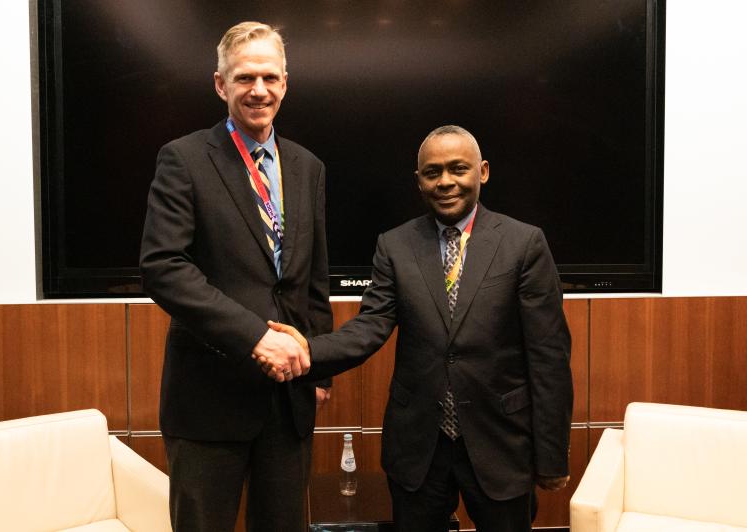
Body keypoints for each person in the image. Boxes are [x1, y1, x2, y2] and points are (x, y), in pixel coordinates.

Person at [260, 125, 573, 531]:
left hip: (501, 444)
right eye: (432, 172)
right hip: (419, 448)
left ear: (483, 171)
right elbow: (371, 326)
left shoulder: (524, 244)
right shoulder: (395, 245)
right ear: (419, 181)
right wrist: (310, 351)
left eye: (458, 169)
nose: (445, 182)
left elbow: (548, 356)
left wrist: (551, 457)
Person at [140, 21, 333, 532]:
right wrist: (255, 338)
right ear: (221, 85)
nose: (259, 90)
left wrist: (318, 367)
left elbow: (312, 278)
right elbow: (164, 268)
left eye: (270, 77)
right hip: (208, 400)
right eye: (244, 78)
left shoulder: (308, 167)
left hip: (288, 400)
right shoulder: (183, 159)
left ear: (286, 83)